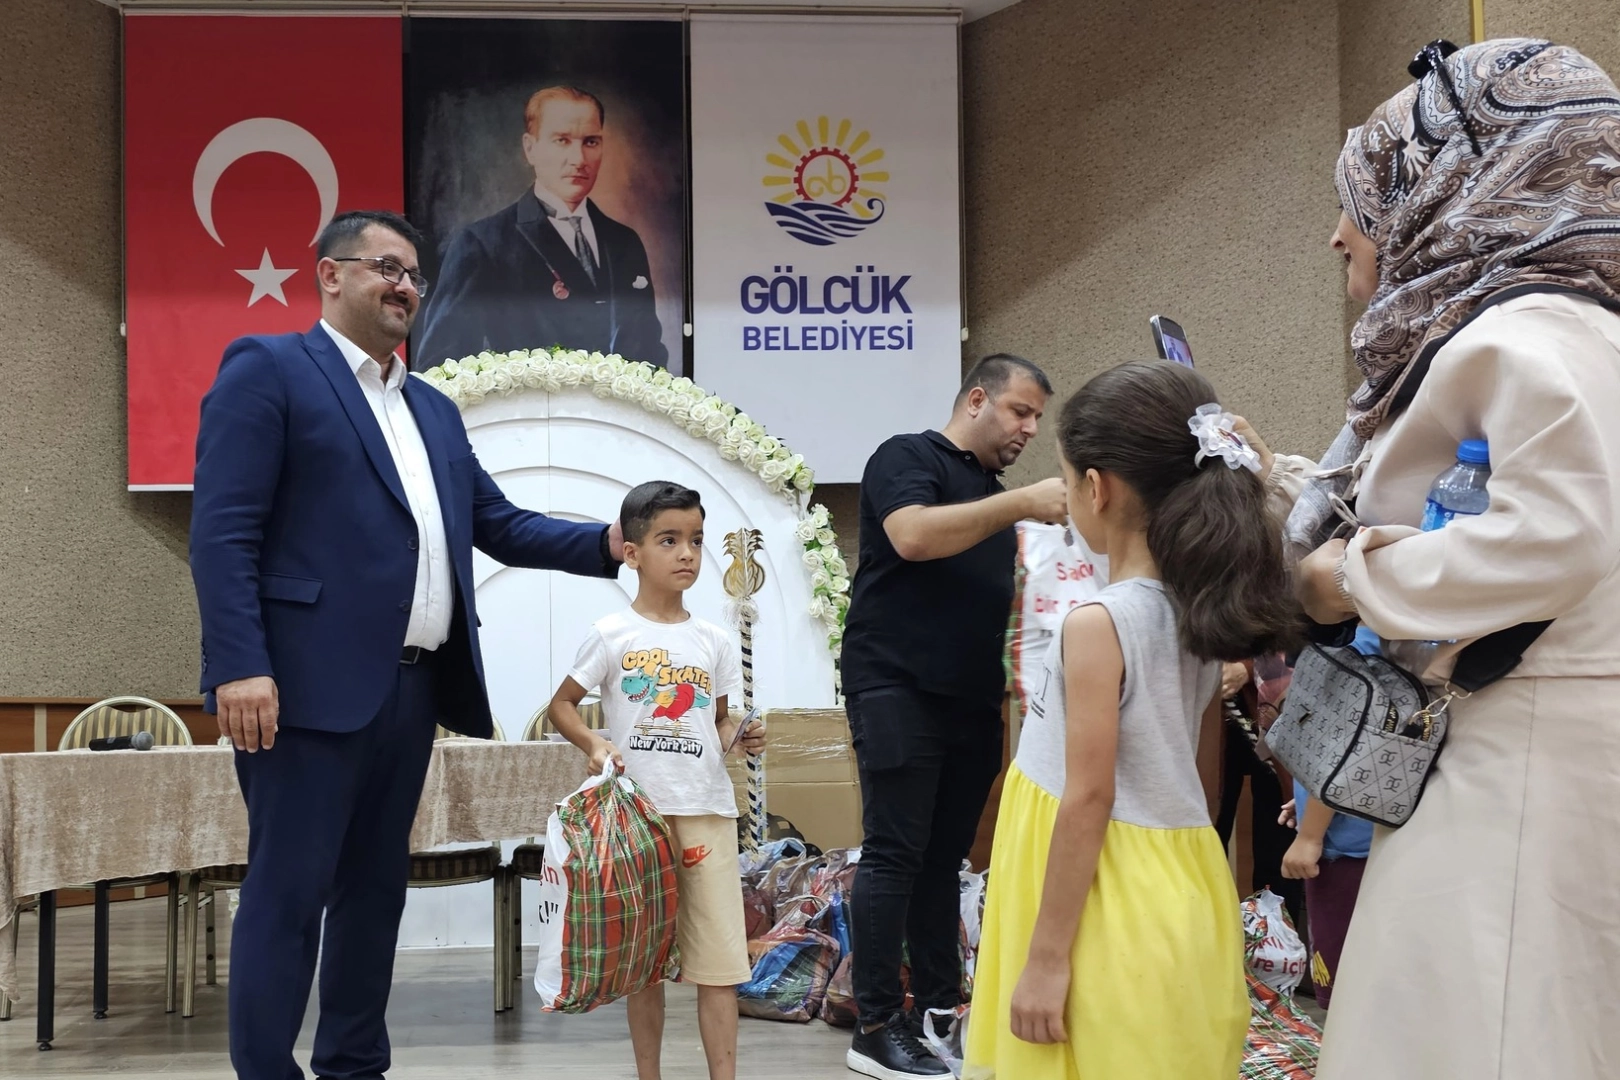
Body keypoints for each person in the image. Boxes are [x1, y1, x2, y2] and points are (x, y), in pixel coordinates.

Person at [190, 209, 626, 1080]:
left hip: (412, 691)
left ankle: (354, 1066)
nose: (405, 286)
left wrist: (609, 543)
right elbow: (224, 531)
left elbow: (498, 523)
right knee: (287, 893)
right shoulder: (269, 369)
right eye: (386, 267)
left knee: (375, 893)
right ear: (330, 274)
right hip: (301, 690)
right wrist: (240, 663)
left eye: (415, 275)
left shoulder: (430, 407)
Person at [1270, 38, 1620, 1080]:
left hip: (1518, 766)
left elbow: (1555, 539)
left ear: (1455, 185)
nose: (1341, 233)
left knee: (1479, 1030)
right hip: (1552, 758)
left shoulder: (1524, 337)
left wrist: (1349, 576)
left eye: (1364, 198)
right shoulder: (1589, 333)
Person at [963, 361, 1296, 1080]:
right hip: (1177, 877)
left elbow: (1089, 796)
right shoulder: (1198, 608)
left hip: (1102, 899)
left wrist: (1045, 959)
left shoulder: (1099, 623)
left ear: (1096, 487)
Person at [842, 353, 1068, 1079]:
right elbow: (912, 536)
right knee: (894, 852)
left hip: (973, 699)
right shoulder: (908, 457)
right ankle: (876, 1025)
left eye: (1037, 418)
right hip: (895, 687)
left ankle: (940, 1011)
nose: (1029, 428)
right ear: (977, 400)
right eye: (1020, 411)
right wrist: (1024, 502)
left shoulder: (997, 498)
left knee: (945, 861)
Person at [547, 481, 764, 1080]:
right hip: (636, 820)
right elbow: (561, 706)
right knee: (643, 964)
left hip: (706, 812)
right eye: (669, 540)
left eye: (695, 540)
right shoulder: (612, 633)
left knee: (719, 966)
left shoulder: (715, 640)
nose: (687, 553)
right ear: (633, 553)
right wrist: (594, 742)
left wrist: (741, 735)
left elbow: (718, 722)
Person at [415, 84, 667, 368]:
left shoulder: (624, 241)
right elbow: (442, 365)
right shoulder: (482, 244)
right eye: (562, 140)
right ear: (530, 148)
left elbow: (649, 353)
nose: (579, 159)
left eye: (590, 142)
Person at [1276, 633, 1377, 1010]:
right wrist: (1308, 803)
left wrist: (1311, 833)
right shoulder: (1389, 641)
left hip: (1344, 848)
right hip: (1366, 826)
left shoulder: (1351, 650)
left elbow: (1339, 747)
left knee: (1346, 994)